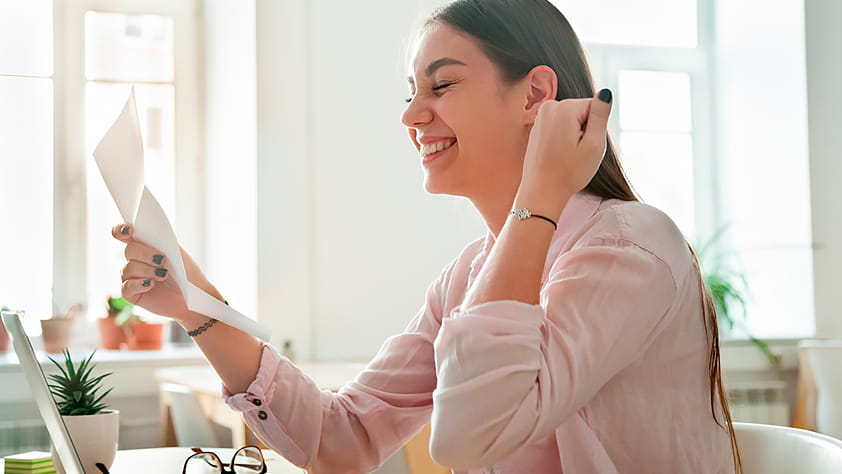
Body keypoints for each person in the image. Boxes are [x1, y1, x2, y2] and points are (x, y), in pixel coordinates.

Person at [112, 0, 741, 472]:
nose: (413, 116)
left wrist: (540, 195)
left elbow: (470, 436)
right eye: (412, 93)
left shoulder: (627, 248)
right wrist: (193, 300)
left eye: (441, 86)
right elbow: (344, 437)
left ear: (537, 95)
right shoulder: (473, 275)